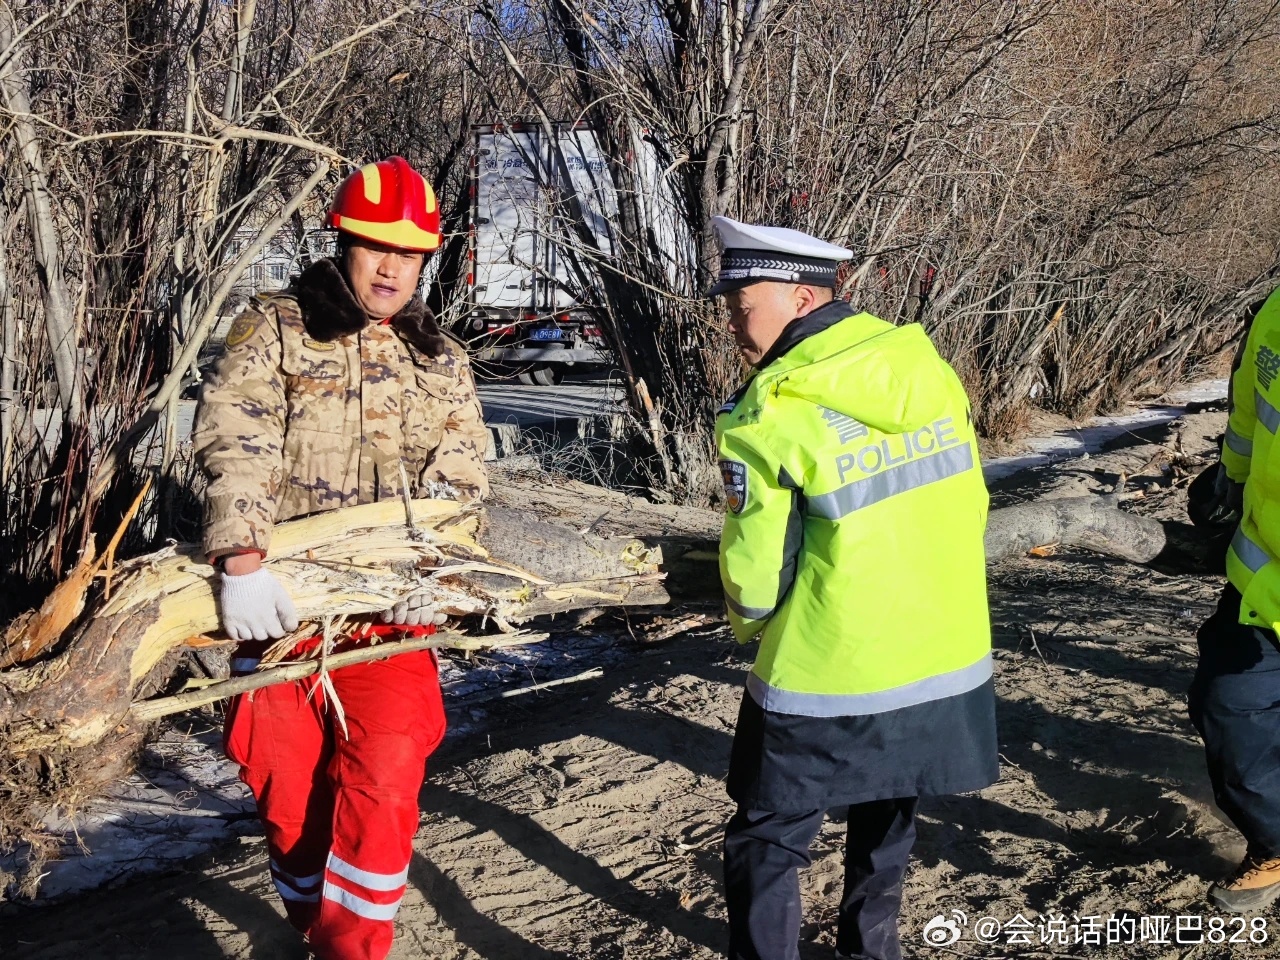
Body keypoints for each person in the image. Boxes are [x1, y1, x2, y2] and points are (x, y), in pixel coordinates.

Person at [192, 156, 489, 960]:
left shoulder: (441, 358)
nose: (393, 267)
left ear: (428, 259)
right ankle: (309, 924)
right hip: (282, 613)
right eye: (376, 247)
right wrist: (241, 560)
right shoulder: (277, 327)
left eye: (411, 253)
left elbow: (461, 482)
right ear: (344, 242)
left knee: (385, 781)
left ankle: (350, 949)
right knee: (287, 793)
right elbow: (237, 441)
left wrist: (442, 580)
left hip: (388, 621)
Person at [709, 216, 998, 960]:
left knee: (768, 833)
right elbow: (969, 503)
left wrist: (750, 627)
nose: (733, 324)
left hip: (825, 667)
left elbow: (757, 571)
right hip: (937, 650)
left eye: (743, 306)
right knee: (888, 807)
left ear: (801, 300)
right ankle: (872, 949)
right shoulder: (925, 368)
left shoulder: (769, 410)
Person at [1189, 287, 1280, 912]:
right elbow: (1251, 409)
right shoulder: (1277, 308)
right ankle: (1274, 844)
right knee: (1227, 706)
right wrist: (1230, 479)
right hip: (1262, 577)